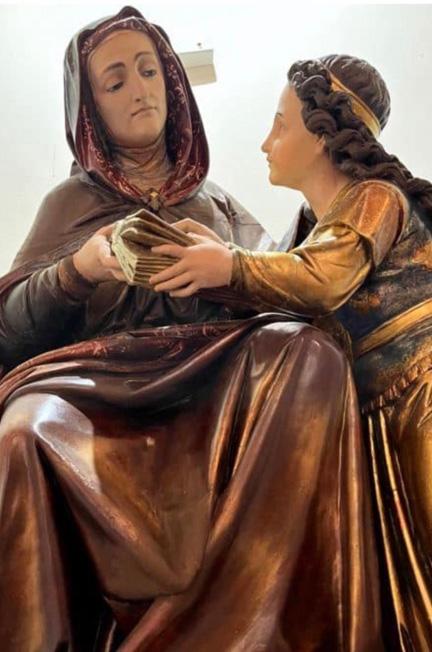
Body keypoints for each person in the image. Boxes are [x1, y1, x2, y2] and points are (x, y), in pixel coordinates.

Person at [0, 9, 383, 651]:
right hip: (98, 390)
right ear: (90, 108)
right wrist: (79, 269)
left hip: (211, 381)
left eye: (149, 71)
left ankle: (255, 623)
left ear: (173, 84)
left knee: (310, 353)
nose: (139, 90)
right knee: (22, 430)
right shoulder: (70, 204)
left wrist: (242, 258)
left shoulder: (217, 202)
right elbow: (9, 329)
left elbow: (283, 277)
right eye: (115, 81)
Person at [150, 53, 432, 650]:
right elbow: (281, 287)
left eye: (280, 125)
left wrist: (229, 263)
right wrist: (215, 260)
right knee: (403, 589)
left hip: (423, 394)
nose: (266, 142)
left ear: (323, 133)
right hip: (376, 415)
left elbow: (321, 279)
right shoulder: (309, 222)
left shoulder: (375, 198)